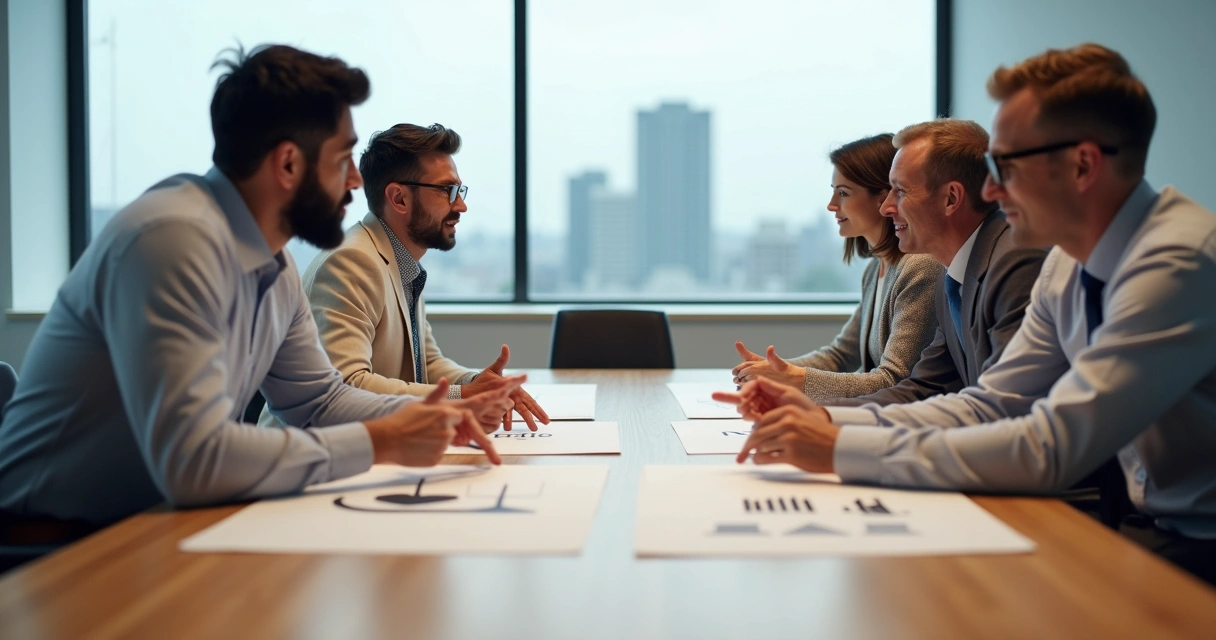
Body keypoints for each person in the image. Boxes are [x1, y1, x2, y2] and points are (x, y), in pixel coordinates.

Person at [716, 43, 1216, 584]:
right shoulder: (1067, 264)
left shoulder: (1176, 263)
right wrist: (829, 420)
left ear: (1082, 165)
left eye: (1006, 165)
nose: (991, 189)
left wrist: (842, 448)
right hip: (1153, 529)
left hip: (1198, 543)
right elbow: (991, 403)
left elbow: (1050, 446)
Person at [0, 45, 517, 532]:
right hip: (47, 540)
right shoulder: (173, 239)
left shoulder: (273, 261)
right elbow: (194, 461)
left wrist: (441, 413)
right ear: (289, 164)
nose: (356, 182)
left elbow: (319, 401)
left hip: (147, 523)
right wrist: (381, 440)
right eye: (342, 160)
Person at [261, 123, 548, 432]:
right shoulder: (352, 261)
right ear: (399, 199)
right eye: (447, 191)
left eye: (460, 191)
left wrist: (477, 383)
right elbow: (347, 384)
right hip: (308, 453)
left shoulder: (401, 260)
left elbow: (427, 362)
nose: (461, 205)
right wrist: (462, 396)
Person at [827, 119, 1045, 407]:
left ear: (951, 198)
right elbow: (924, 387)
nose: (886, 207)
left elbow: (1004, 407)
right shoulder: (951, 276)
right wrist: (820, 414)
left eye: (900, 191)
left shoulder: (1012, 264)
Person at [732, 134, 943, 403]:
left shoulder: (919, 267)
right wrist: (773, 371)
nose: (831, 205)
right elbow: (842, 355)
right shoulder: (875, 270)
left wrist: (796, 378)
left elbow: (895, 381)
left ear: (883, 197)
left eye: (843, 193)